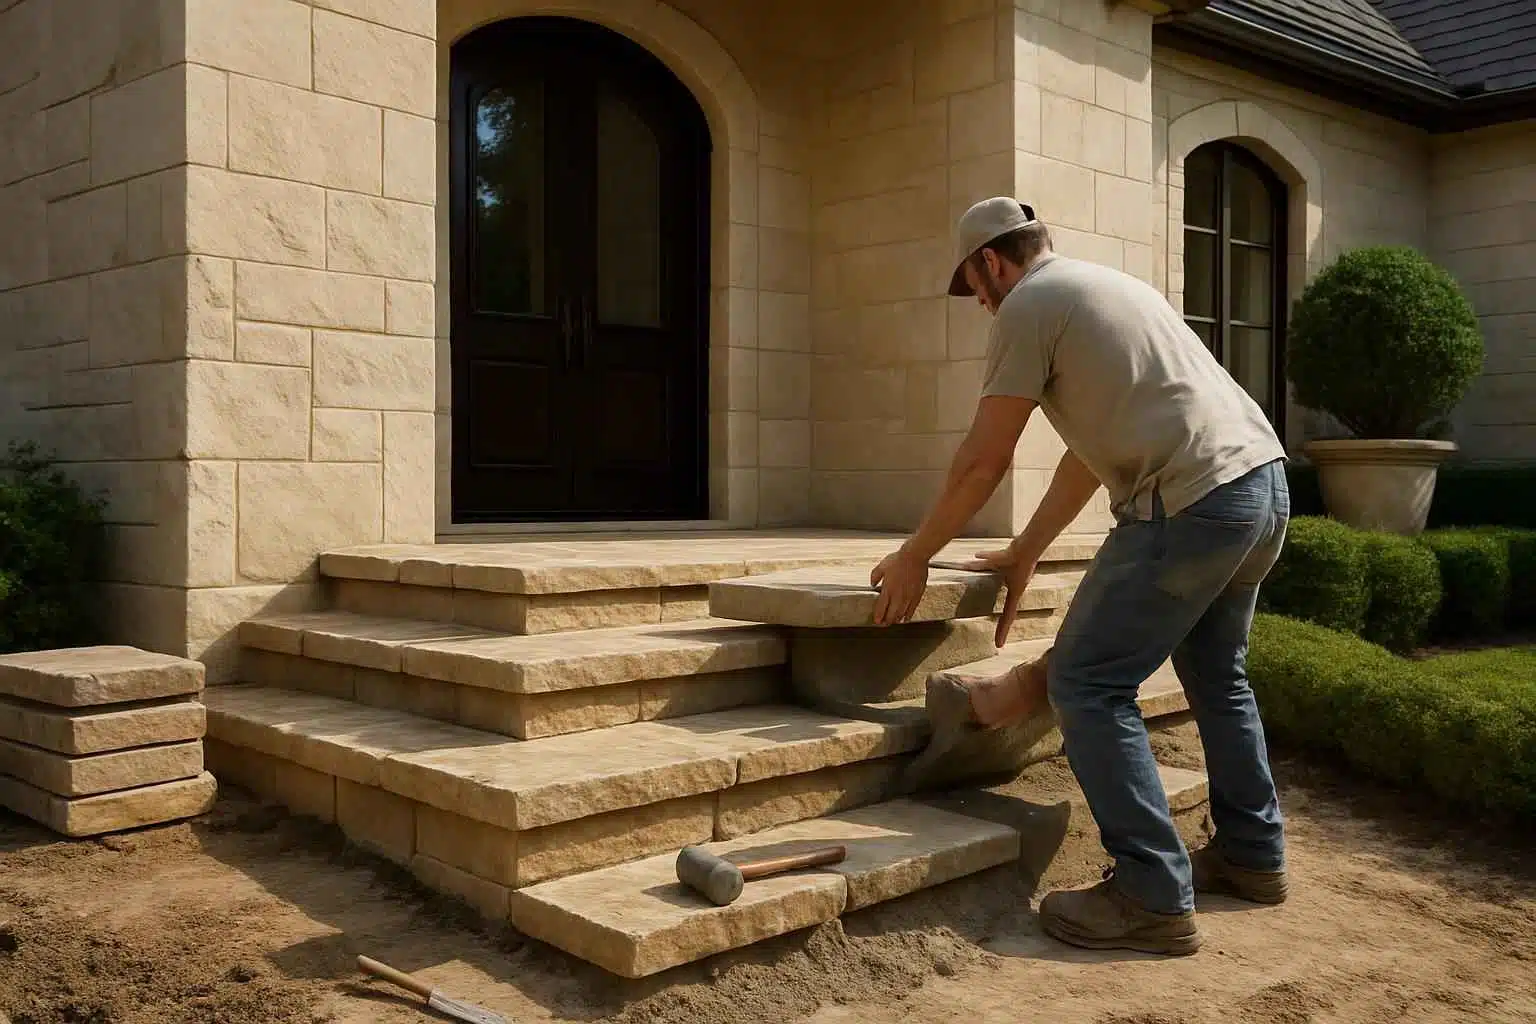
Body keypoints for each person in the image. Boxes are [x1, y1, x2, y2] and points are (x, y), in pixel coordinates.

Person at [869, 196, 1292, 956]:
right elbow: (1081, 456)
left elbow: (983, 458)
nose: (979, 305)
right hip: (1261, 490)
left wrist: (915, 553)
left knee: (1090, 683)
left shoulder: (1028, 306)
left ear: (991, 262)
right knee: (1218, 675)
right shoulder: (1107, 288)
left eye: (974, 285)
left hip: (1191, 504)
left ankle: (1151, 895)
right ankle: (1252, 857)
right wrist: (1026, 548)